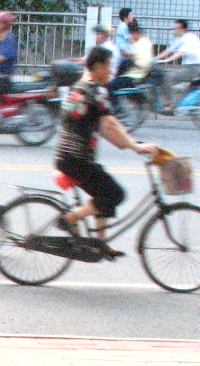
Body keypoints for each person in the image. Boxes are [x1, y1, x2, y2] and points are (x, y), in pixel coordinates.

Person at [54, 47, 159, 249]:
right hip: (76, 159)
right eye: (109, 66)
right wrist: (136, 147)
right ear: (99, 66)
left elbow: (104, 127)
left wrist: (126, 143)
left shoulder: (80, 86)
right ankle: (69, 219)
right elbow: (110, 122)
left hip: (69, 157)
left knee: (104, 193)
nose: (111, 71)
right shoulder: (94, 90)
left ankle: (99, 243)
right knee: (115, 194)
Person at [154, 18, 200, 99]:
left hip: (192, 68)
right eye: (174, 28)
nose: (174, 30)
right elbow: (169, 50)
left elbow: (180, 53)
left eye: (176, 28)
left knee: (166, 77)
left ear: (184, 29)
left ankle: (169, 103)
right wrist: (154, 58)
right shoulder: (180, 38)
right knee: (162, 74)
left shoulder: (189, 38)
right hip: (187, 67)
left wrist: (166, 60)